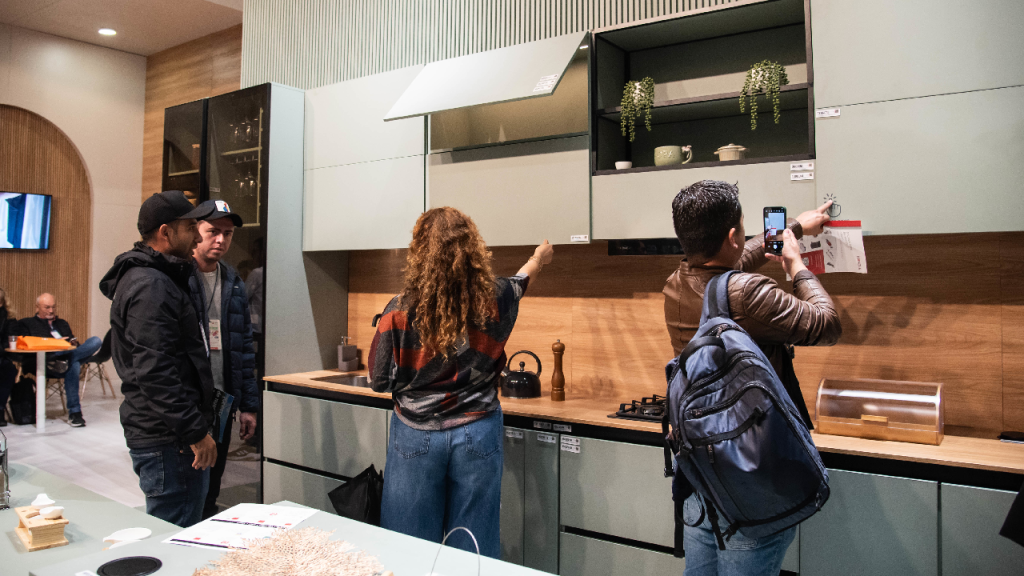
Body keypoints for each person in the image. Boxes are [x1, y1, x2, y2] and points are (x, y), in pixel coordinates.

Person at [663, 180, 842, 576]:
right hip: (751, 477)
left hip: (701, 474)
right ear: (731, 236)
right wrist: (796, 264)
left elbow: (734, 262)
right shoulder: (747, 293)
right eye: (742, 229)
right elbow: (826, 324)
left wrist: (795, 228)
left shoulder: (676, 284)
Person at [368, 207, 554, 558]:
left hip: (415, 433)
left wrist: (414, 377)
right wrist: (538, 258)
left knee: (409, 550)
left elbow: (378, 380)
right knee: (473, 550)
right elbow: (521, 281)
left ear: (420, 253)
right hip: (478, 432)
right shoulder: (494, 298)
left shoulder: (397, 311)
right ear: (471, 249)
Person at [99, 190, 218, 527]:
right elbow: (156, 372)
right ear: (166, 232)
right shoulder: (151, 285)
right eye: (190, 227)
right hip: (169, 438)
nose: (198, 236)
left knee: (175, 530)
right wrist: (195, 432)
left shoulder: (158, 278)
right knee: (176, 536)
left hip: (166, 433)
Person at [187, 200, 258, 519]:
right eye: (213, 231)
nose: (220, 240)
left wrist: (249, 406)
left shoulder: (232, 279)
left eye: (227, 234)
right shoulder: (179, 275)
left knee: (212, 486)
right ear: (195, 231)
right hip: (190, 401)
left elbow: (243, 347)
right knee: (189, 486)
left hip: (222, 399)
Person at [13, 293, 102, 427]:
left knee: (95, 341)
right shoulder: (27, 323)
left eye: (53, 307)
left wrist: (72, 343)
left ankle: (66, 361)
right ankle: (75, 413)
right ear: (37, 307)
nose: (51, 310)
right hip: (44, 361)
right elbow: (27, 344)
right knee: (74, 364)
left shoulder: (62, 323)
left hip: (65, 359)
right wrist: (56, 343)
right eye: (47, 307)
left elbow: (73, 344)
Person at [0, 288, 18, 426]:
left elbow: (9, 343)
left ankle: (0, 409)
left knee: (9, 370)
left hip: (2, 355)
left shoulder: (9, 320)